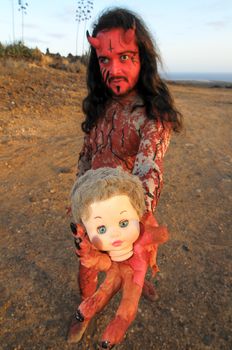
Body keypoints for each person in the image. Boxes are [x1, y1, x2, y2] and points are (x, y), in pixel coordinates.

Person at [69, 5, 182, 342]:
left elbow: (150, 168)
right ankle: (85, 308)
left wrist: (141, 216)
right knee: (87, 267)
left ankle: (137, 276)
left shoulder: (152, 115)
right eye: (105, 60)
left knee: (128, 260)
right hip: (91, 217)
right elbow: (86, 155)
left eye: (125, 57)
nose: (114, 69)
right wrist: (76, 203)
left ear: (142, 57)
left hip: (126, 218)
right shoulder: (100, 105)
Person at [68, 167, 168, 348]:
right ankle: (85, 308)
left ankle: (138, 286)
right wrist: (79, 193)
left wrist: (144, 207)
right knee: (89, 263)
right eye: (102, 230)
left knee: (131, 287)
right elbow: (85, 158)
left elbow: (150, 157)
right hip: (91, 185)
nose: (114, 235)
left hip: (130, 183)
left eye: (123, 223)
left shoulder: (140, 217)